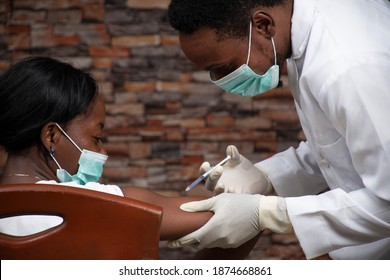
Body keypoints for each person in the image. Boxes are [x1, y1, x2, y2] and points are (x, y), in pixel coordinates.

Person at [166, 0, 390, 259]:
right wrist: (266, 177)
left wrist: (269, 214)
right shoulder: (296, 32)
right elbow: (343, 145)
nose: (219, 81)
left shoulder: (347, 67)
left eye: (224, 68)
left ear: (263, 25)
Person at [0, 56, 259, 259]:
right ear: (52, 137)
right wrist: (256, 189)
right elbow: (236, 216)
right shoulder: (98, 204)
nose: (103, 153)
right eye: (97, 138)